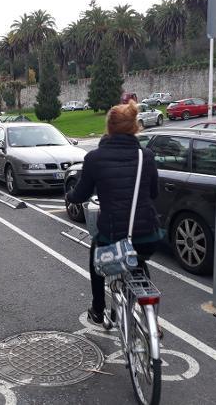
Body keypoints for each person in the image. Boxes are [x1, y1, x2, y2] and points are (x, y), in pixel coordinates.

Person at [66, 101, 163, 324]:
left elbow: (80, 194)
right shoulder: (145, 156)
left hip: (112, 235)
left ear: (108, 128)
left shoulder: (94, 159)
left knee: (95, 258)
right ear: (134, 127)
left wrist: (70, 196)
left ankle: (98, 309)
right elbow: (154, 193)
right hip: (148, 234)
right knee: (138, 259)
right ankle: (150, 321)